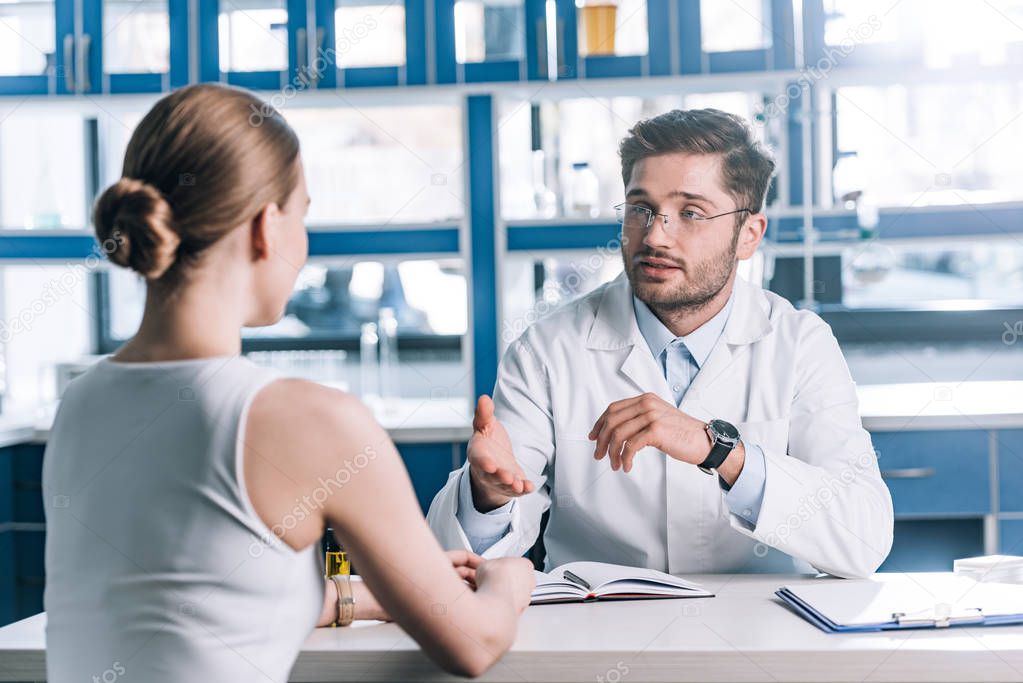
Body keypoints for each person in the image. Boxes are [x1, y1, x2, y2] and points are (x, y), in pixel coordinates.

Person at [41, 83, 534, 683]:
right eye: (304, 213)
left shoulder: (82, 402)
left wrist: (361, 594)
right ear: (267, 227)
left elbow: (195, 601)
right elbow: (473, 644)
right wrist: (510, 582)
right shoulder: (307, 421)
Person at [428, 109, 894, 579]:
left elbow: (863, 539)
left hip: (759, 635)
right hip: (597, 634)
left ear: (748, 235)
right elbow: (458, 562)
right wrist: (487, 497)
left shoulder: (799, 344)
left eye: (690, 213)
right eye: (640, 209)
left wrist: (719, 451)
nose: (654, 235)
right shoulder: (547, 350)